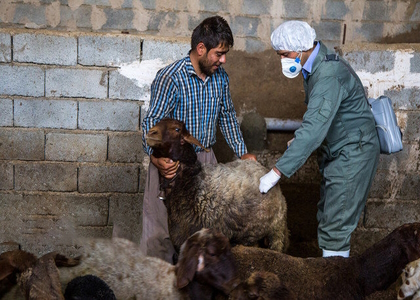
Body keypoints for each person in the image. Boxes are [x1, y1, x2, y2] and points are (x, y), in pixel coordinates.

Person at [140, 15, 256, 263]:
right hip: (171, 164)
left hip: (205, 161)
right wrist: (155, 158)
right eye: (219, 53)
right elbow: (152, 122)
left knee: (206, 231)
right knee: (161, 233)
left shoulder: (221, 78)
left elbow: (226, 116)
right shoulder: (171, 77)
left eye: (225, 54)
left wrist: (242, 152)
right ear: (201, 48)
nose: (223, 60)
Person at [259, 20, 380, 258]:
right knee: (328, 216)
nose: (282, 60)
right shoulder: (314, 67)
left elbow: (314, 127)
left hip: (352, 154)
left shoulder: (328, 75)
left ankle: (335, 286)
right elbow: (321, 117)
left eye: (284, 54)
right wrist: (300, 141)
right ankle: (330, 272)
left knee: (336, 224)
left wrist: (277, 172)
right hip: (340, 150)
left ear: (301, 49)